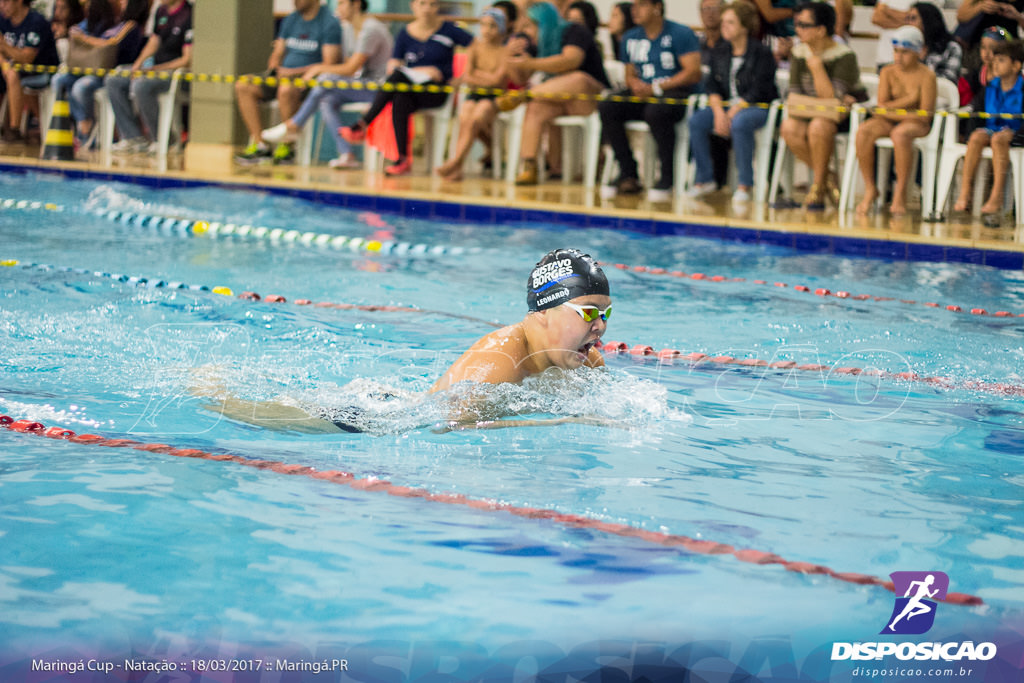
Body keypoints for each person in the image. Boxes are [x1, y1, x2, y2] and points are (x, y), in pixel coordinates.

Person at [199, 248, 613, 433]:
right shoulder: (499, 361)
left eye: (606, 314)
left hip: (403, 402)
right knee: (247, 412)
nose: (600, 327)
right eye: (589, 313)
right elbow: (446, 427)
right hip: (372, 424)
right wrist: (559, 420)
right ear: (542, 312)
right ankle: (210, 389)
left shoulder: (583, 361)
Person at [338, 0, 474, 176]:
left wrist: (462, 77)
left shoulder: (449, 30)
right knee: (399, 96)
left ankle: (363, 124)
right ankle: (402, 159)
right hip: (411, 88)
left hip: (435, 92)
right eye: (422, 3)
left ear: (437, 8)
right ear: (413, 6)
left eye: (432, 4)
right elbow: (393, 65)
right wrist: (424, 70)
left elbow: (476, 47)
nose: (427, 9)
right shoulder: (405, 33)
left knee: (398, 80)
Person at [260, 0, 392, 170]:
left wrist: (317, 68)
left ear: (356, 5)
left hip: (379, 89)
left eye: (342, 3)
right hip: (360, 85)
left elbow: (351, 68)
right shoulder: (350, 28)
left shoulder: (371, 29)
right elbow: (347, 68)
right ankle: (347, 154)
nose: (338, 9)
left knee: (325, 79)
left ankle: (294, 125)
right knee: (327, 100)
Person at [598, 0, 701, 200]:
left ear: (657, 7)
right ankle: (628, 172)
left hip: (674, 93)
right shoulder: (630, 37)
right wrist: (635, 84)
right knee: (608, 106)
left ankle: (667, 176)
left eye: (642, 5)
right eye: (634, 5)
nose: (635, 10)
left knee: (656, 111)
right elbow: (629, 74)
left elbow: (693, 73)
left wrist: (657, 87)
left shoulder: (680, 33)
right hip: (644, 93)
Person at [507, 1, 609, 185]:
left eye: (530, 26)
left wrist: (530, 64)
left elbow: (570, 60)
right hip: (559, 100)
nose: (528, 32)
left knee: (578, 79)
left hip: (591, 99)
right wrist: (509, 57)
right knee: (536, 107)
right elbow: (520, 78)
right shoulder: (539, 42)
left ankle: (527, 94)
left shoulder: (574, 31)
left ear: (544, 24)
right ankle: (529, 166)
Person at [779, 2, 866, 210]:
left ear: (821, 30)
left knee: (819, 125)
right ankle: (827, 178)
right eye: (797, 24)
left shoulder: (844, 55)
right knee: (789, 127)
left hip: (845, 118)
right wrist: (823, 104)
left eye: (804, 25)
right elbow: (793, 98)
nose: (798, 30)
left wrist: (817, 67)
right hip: (812, 113)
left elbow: (832, 99)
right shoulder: (799, 53)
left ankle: (817, 187)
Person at [688, 1, 778, 204]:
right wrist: (720, 112)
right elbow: (711, 85)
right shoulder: (720, 51)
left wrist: (733, 111)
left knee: (740, 123)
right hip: (728, 106)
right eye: (723, 22)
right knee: (697, 121)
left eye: (730, 22)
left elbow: (760, 89)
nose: (724, 27)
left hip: (757, 107)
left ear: (744, 27)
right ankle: (705, 178)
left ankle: (745, 183)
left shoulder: (761, 52)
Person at [234, 0, 342, 165]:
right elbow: (279, 51)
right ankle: (260, 144)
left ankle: (287, 147)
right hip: (283, 76)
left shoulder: (329, 22)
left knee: (286, 89)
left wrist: (292, 73)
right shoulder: (291, 20)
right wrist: (275, 64)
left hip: (307, 82)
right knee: (244, 85)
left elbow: (329, 63)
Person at [853, 25, 936, 215]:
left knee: (900, 134)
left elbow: (925, 115)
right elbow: (879, 109)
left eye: (905, 52)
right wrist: (908, 100)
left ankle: (900, 193)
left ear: (918, 52)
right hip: (896, 119)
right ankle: (870, 188)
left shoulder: (927, 76)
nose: (898, 57)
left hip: (917, 125)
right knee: (864, 131)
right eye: (896, 51)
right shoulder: (887, 72)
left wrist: (890, 110)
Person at [52, 0, 146, 150]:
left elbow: (112, 44)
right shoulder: (106, 24)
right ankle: (81, 120)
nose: (121, 4)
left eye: (124, 2)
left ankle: (88, 128)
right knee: (59, 80)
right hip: (88, 68)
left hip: (107, 72)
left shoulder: (130, 26)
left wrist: (85, 39)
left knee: (81, 87)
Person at [105, 0, 192, 155]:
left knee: (141, 85)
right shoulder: (161, 11)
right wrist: (138, 65)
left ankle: (163, 139)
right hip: (154, 70)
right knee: (114, 80)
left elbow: (187, 60)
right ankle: (133, 137)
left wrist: (155, 69)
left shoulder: (189, 14)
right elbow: (154, 40)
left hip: (176, 74)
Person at [435, 8, 512, 181]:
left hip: (495, 97)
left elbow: (497, 82)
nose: (486, 30)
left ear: (500, 28)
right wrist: (484, 76)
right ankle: (489, 150)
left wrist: (477, 75)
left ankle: (456, 162)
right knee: (466, 114)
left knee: (478, 116)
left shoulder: (505, 51)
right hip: (475, 94)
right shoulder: (475, 46)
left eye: (492, 25)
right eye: (483, 25)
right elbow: (468, 76)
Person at [951, 39, 1024, 216]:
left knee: (999, 139)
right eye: (995, 60)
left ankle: (997, 196)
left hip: (1016, 134)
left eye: (1001, 60)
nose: (995, 64)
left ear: (1016, 66)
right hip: (993, 130)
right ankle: (965, 192)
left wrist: (1015, 136)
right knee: (976, 137)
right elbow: (977, 114)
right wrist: (969, 134)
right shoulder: (990, 87)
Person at [0, 0, 59, 143]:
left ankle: (14, 130)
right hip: (11, 67)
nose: (2, 6)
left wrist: (4, 45)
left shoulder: (36, 22)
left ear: (19, 2)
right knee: (11, 73)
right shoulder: (3, 19)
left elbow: (27, 57)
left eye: (5, 2)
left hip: (39, 70)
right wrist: (4, 65)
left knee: (14, 75)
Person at [909, 2, 962, 86]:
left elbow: (949, 80)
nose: (909, 23)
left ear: (927, 21)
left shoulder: (951, 47)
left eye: (913, 19)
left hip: (940, 95)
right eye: (908, 19)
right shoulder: (909, 46)